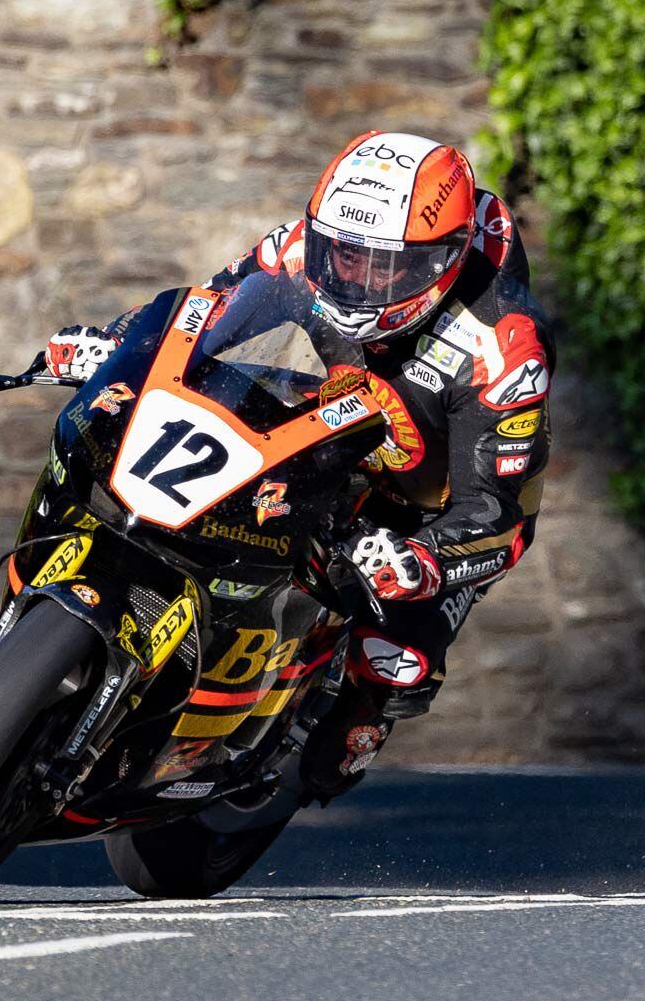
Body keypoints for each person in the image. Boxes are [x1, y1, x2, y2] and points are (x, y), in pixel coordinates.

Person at [43, 131, 553, 798]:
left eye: (385, 269)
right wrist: (111, 345)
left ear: (446, 260)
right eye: (342, 255)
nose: (356, 281)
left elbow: (503, 517)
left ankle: (359, 715)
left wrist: (426, 557)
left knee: (394, 661)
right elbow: (204, 314)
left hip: (421, 504)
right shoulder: (299, 247)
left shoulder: (506, 347)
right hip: (314, 433)